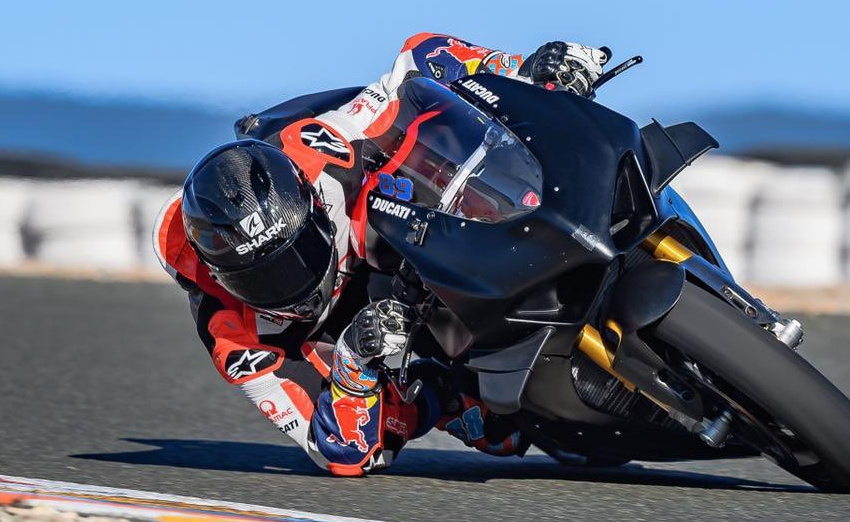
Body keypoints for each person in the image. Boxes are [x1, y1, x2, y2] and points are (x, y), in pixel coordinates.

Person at [153, 34, 608, 475]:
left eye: (297, 255)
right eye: (261, 279)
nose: (292, 285)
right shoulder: (233, 339)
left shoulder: (321, 151)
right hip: (360, 322)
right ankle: (452, 390)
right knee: (495, 431)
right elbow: (336, 450)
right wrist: (354, 362)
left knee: (481, 151)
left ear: (312, 206)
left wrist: (524, 70)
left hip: (388, 221)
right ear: (218, 274)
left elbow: (417, 59)